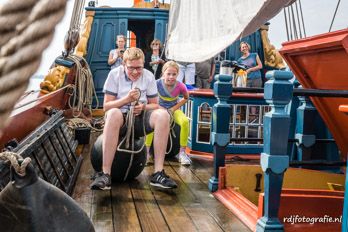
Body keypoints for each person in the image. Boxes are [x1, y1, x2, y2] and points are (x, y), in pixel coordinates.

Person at [90, 47, 177, 190]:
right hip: (121, 119)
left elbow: (155, 105)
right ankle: (105, 174)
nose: (136, 72)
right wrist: (126, 100)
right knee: (113, 113)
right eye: (131, 68)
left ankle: (158, 174)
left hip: (140, 119)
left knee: (163, 115)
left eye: (139, 68)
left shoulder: (148, 76)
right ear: (124, 64)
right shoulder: (114, 75)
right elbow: (106, 106)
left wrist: (143, 107)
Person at [145, 61, 191, 165]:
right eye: (168, 74)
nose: (171, 77)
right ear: (163, 73)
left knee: (184, 122)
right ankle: (147, 153)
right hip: (158, 108)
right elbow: (149, 98)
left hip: (173, 110)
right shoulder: (156, 83)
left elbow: (186, 98)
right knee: (152, 123)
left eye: (174, 74)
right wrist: (160, 109)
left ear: (177, 74)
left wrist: (173, 109)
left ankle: (182, 153)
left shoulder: (181, 86)